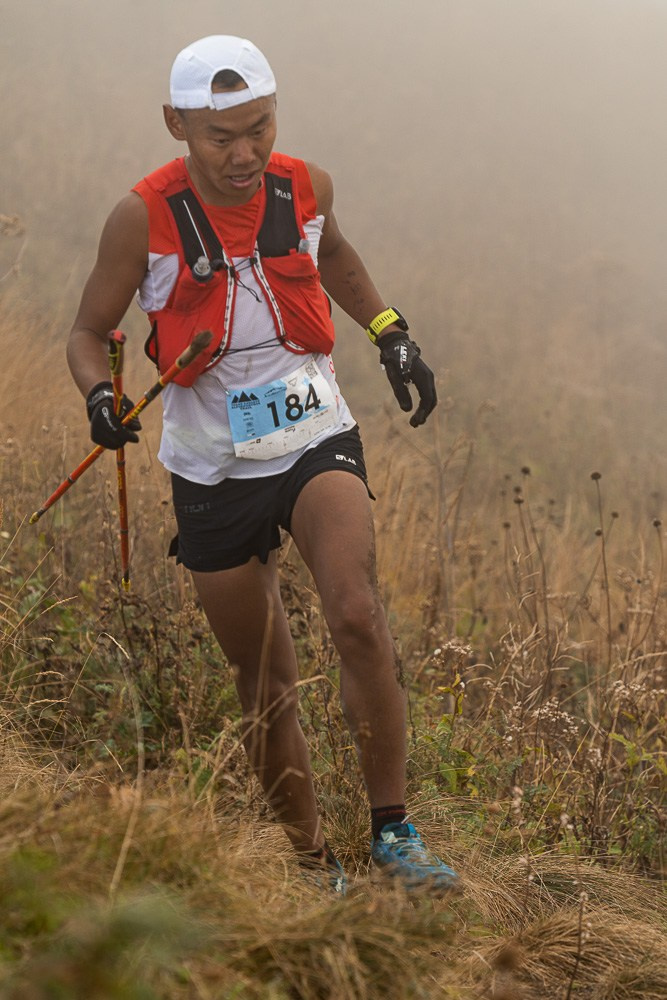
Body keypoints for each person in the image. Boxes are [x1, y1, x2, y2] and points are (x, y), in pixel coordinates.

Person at [67, 35, 458, 896]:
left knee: (355, 614)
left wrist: (391, 334)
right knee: (264, 672)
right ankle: (309, 859)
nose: (245, 153)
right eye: (220, 137)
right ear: (177, 124)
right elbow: (87, 333)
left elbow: (335, 257)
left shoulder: (304, 184)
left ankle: (394, 833)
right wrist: (101, 397)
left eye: (260, 128)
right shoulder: (141, 218)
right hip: (209, 463)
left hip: (312, 429)